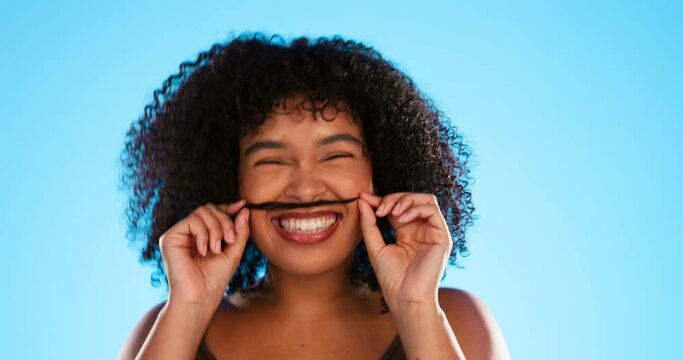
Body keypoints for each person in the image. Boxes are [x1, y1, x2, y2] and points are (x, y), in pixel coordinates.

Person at [118, 33, 510, 359]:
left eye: (335, 155)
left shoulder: (457, 318)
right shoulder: (166, 329)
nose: (304, 189)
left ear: (381, 174)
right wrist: (188, 308)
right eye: (271, 160)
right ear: (230, 181)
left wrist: (416, 309)